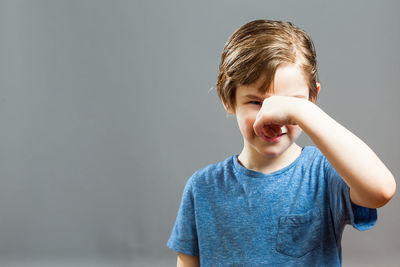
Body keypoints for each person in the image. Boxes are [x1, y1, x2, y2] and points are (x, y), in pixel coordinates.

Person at [166, 19, 396, 266]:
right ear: (227, 99)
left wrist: (302, 112)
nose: (273, 118)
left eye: (292, 104)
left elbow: (380, 190)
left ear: (312, 99)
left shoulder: (324, 173)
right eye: (256, 102)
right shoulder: (202, 187)